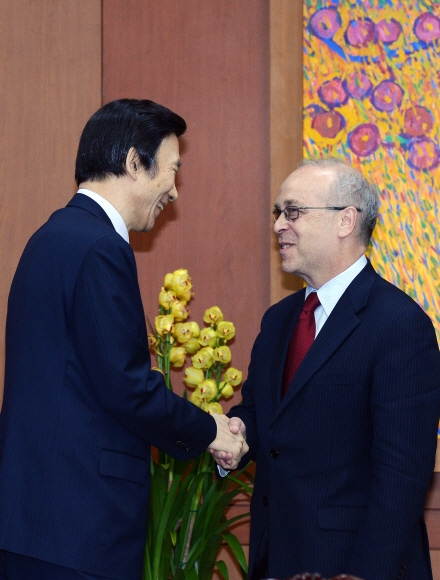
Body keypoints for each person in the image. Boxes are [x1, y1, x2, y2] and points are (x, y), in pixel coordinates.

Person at [0, 99, 247, 580]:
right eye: (171, 171)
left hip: (36, 523)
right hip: (79, 529)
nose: (174, 191)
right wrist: (211, 429)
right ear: (135, 162)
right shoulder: (99, 248)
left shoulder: (51, 237)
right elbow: (128, 387)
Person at [213, 158, 440, 580]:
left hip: (354, 564)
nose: (280, 224)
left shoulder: (400, 325)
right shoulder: (279, 319)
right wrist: (235, 434)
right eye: (278, 213)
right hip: (275, 558)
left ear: (345, 221)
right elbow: (263, 415)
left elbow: (402, 479)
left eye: (294, 211)